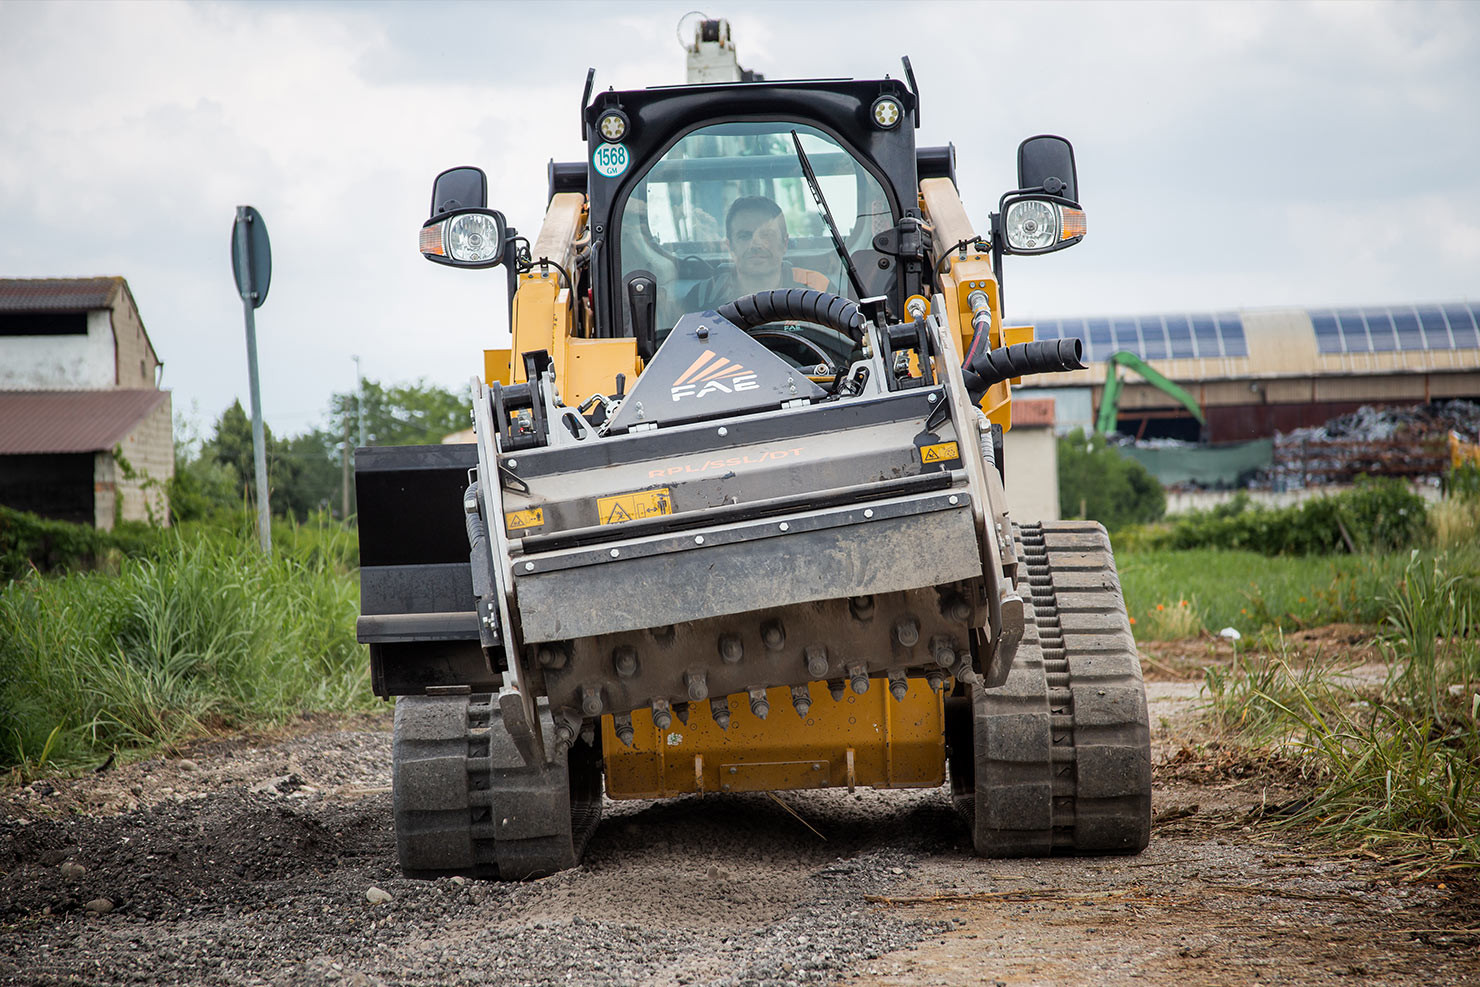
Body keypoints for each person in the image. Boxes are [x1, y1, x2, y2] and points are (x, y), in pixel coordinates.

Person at [684, 195, 828, 311]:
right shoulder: (702, 297)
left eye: (766, 235)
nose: (756, 244)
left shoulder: (817, 289)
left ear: (784, 243)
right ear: (730, 247)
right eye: (744, 236)